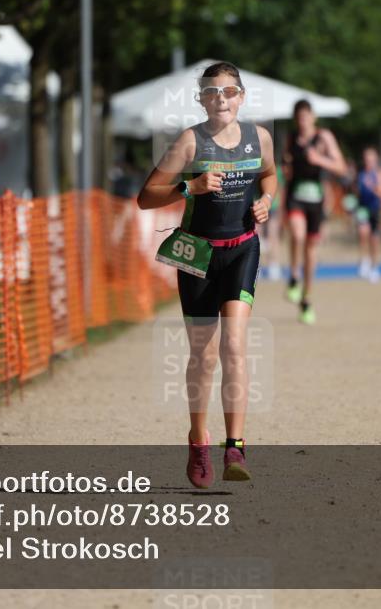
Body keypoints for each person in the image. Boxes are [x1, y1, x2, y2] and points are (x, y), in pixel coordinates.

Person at [137, 61, 277, 489]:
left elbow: (269, 175)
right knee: (205, 354)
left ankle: (236, 445)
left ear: (242, 97)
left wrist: (266, 201)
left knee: (235, 344)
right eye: (213, 93)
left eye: (229, 92)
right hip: (196, 253)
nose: (222, 100)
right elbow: (145, 197)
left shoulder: (260, 138)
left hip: (241, 249)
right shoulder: (188, 142)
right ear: (201, 99)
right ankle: (199, 441)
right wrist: (188, 188)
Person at [282, 99, 348, 324]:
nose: (303, 122)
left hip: (316, 199)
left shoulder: (324, 137)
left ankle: (306, 298)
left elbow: (341, 167)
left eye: (306, 117)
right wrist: (286, 167)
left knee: (311, 249)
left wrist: (319, 159)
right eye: (299, 118)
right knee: (297, 235)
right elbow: (286, 165)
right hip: (295, 197)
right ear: (295, 119)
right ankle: (293, 276)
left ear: (313, 117)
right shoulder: (291, 139)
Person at [356, 146, 381, 282]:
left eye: (371, 159)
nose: (368, 161)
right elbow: (357, 190)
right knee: (363, 233)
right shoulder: (361, 173)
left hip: (375, 207)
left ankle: (375, 266)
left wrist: (373, 187)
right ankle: (365, 260)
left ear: (375, 160)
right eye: (366, 158)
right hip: (362, 207)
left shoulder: (379, 173)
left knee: (374, 238)